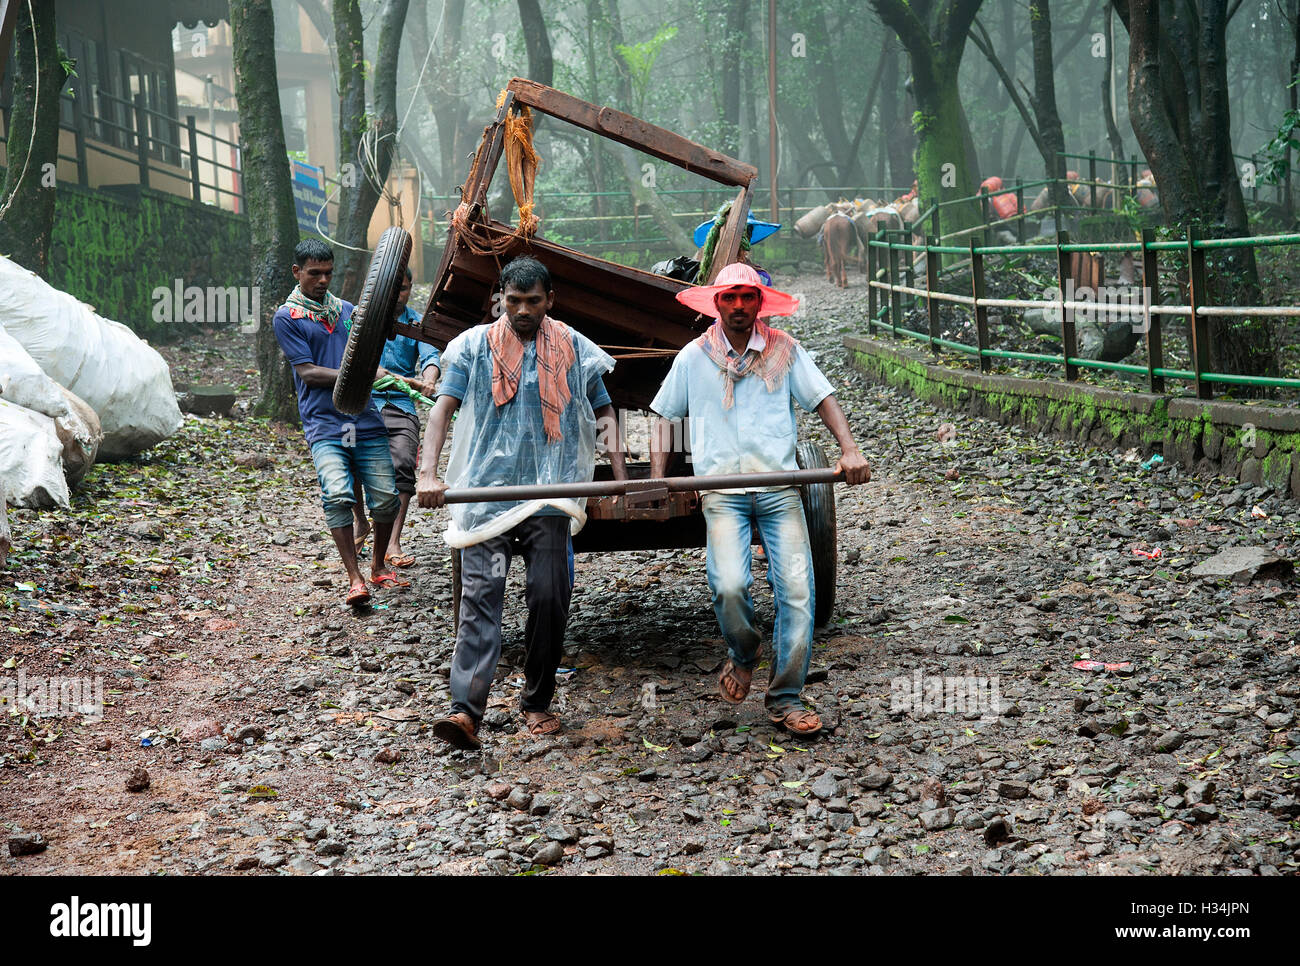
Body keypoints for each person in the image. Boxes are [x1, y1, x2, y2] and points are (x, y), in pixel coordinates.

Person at [649, 262, 870, 736]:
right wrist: (657, 480)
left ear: (759, 303)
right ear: (716, 304)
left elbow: (823, 398)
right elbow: (665, 417)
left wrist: (849, 448)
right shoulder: (694, 357)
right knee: (729, 586)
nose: (738, 306)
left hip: (779, 491)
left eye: (748, 297)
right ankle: (744, 652)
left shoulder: (785, 351)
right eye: (729, 298)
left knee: (798, 592)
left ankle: (787, 696)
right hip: (722, 494)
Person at [417, 256, 627, 749]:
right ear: (501, 300)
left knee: (549, 594)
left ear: (550, 300)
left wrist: (619, 478)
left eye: (534, 301)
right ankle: (465, 711)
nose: (524, 310)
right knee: (480, 599)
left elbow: (604, 412)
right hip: (485, 493)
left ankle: (536, 701)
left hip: (549, 493)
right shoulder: (472, 347)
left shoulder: (573, 347)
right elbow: (441, 411)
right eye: (514, 301)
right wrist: (428, 474)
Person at [272, 238, 405, 608]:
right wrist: (363, 372)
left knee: (386, 500)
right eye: (315, 273)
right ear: (297, 272)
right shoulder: (287, 318)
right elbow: (309, 373)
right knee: (337, 495)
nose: (323, 280)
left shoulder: (348, 310)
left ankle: (378, 565)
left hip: (365, 418)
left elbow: (374, 337)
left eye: (328, 273)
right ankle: (354, 578)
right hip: (325, 424)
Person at [351, 266, 441, 568]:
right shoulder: (359, 317)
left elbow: (430, 357)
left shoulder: (417, 322)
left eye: (403, 289)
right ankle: (361, 522)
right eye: (392, 289)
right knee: (351, 460)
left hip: (402, 405)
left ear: (410, 289)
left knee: (403, 463)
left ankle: (392, 542)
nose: (397, 295)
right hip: (363, 403)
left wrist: (429, 379)